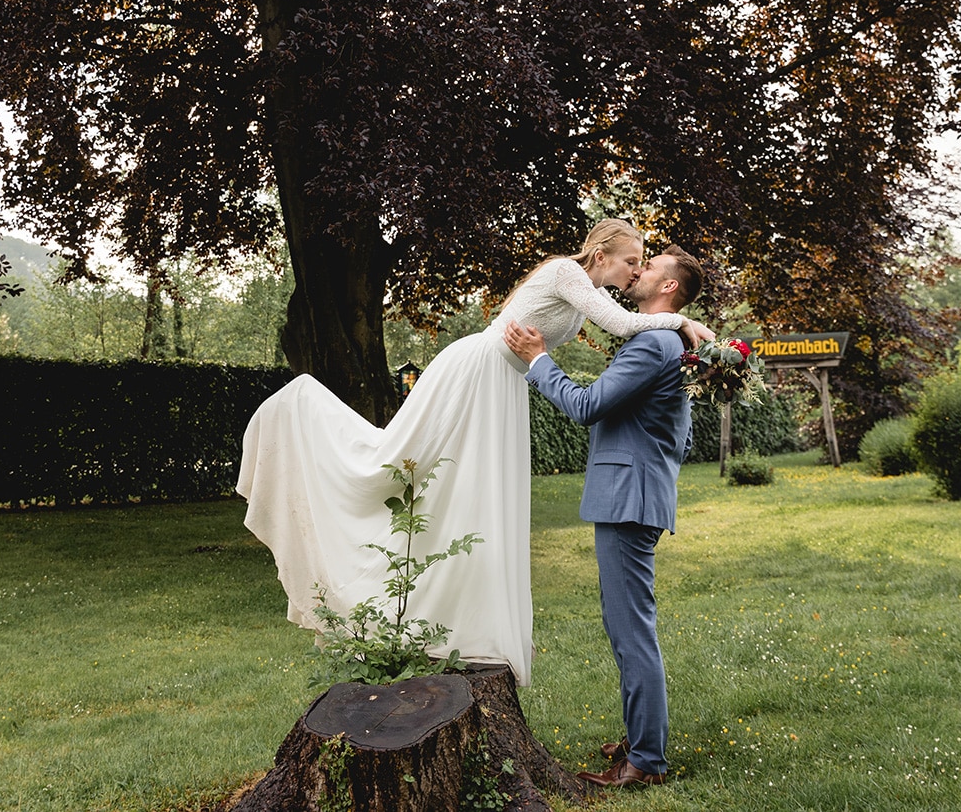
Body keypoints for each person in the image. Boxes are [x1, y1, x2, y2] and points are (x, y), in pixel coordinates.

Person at [236, 219, 714, 686]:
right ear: (601, 254)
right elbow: (625, 324)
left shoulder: (591, 293)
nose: (635, 270)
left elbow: (629, 332)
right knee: (398, 461)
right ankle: (302, 410)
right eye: (632, 260)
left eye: (643, 264)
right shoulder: (568, 272)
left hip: (506, 383)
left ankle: (449, 613)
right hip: (478, 370)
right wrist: (686, 322)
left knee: (466, 494)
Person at [502, 244, 704, 788]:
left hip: (628, 499)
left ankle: (645, 763)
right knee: (628, 626)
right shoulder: (670, 343)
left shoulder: (656, 342)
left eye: (650, 268)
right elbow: (678, 435)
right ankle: (642, 740)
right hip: (638, 494)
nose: (638, 272)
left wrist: (540, 360)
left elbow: (587, 406)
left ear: (668, 288)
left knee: (631, 630)